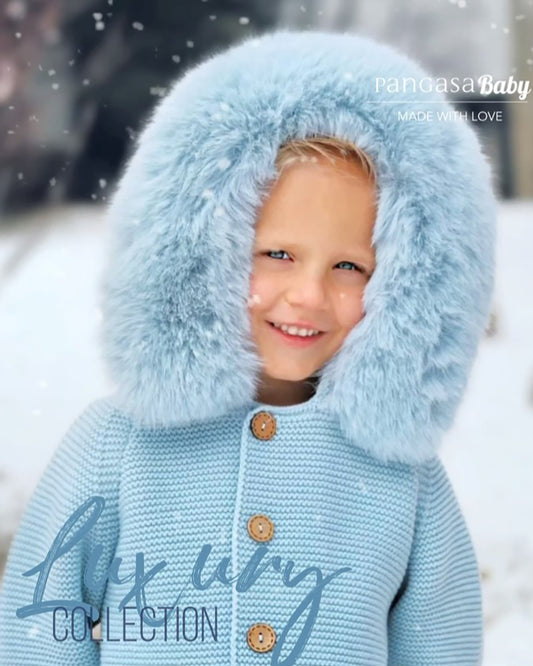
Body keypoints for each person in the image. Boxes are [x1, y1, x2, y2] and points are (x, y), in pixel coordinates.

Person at [0, 29, 495, 665]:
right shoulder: (117, 447)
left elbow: (441, 646)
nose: (308, 295)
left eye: (350, 267)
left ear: (405, 287)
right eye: (278, 254)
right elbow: (41, 628)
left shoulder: (404, 479)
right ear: (201, 253)